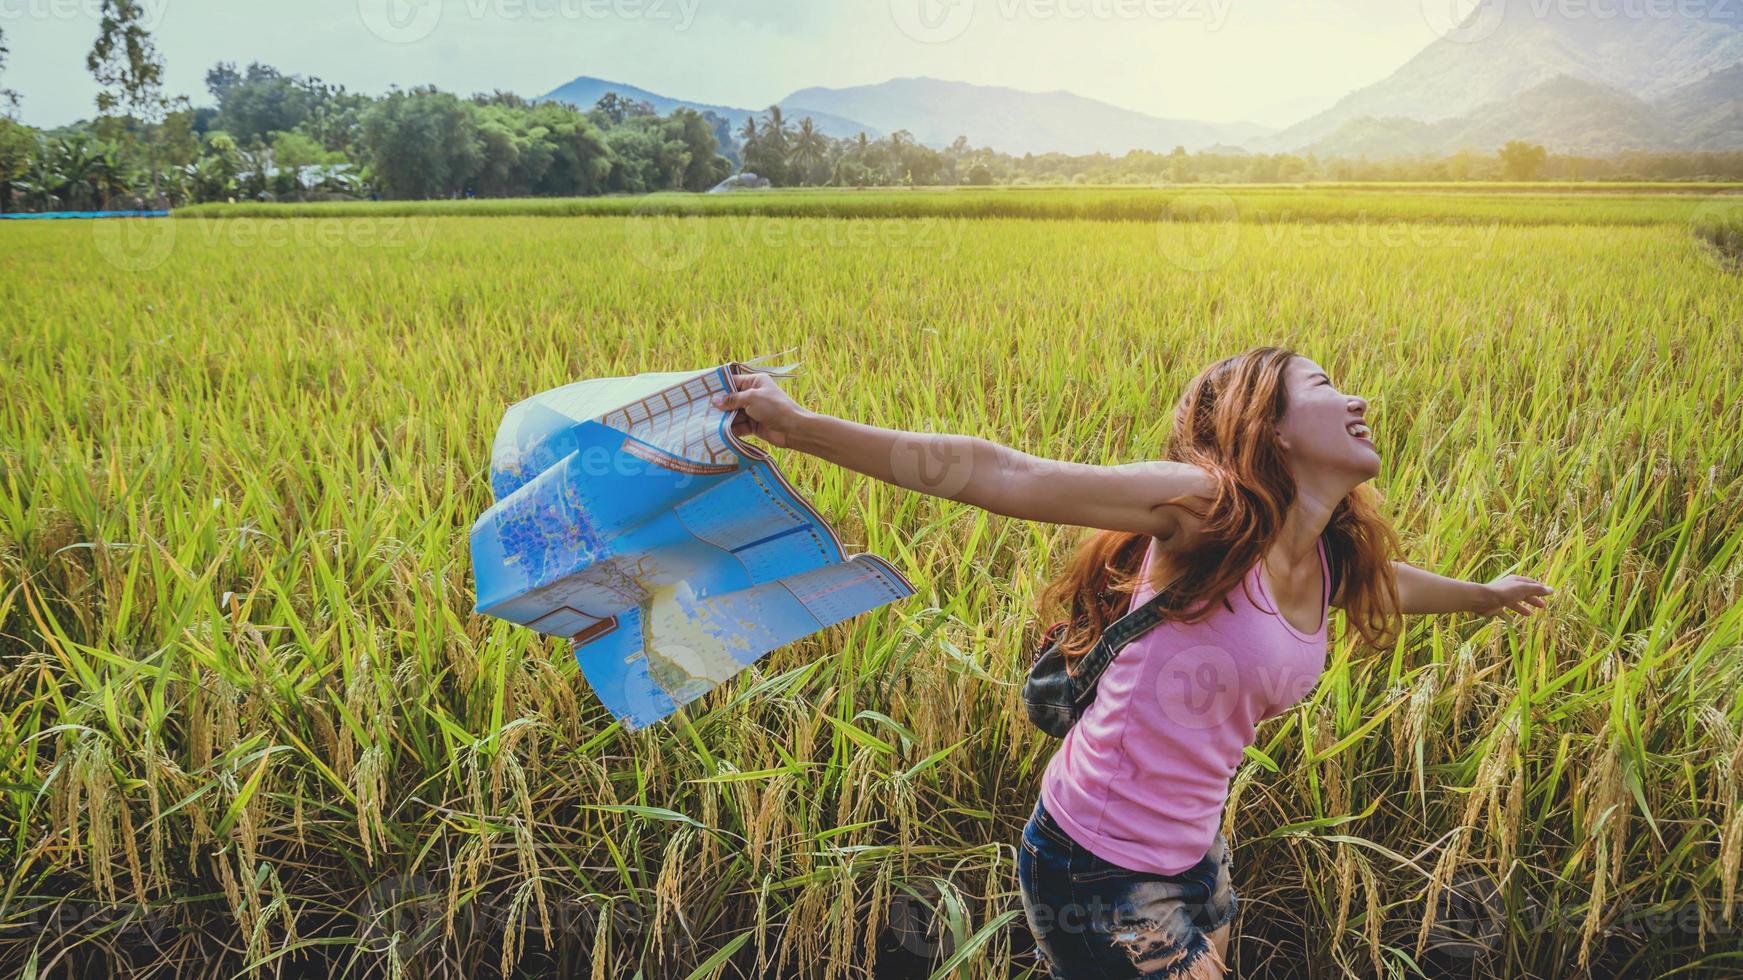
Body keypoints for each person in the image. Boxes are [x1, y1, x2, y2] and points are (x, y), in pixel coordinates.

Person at [710, 346, 1554, 978]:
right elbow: (1002, 473)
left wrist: (1482, 595)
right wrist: (797, 427)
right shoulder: (1206, 509)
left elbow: (1387, 583)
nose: (1358, 397)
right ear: (1270, 429)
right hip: (1099, 864)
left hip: (1196, 853)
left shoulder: (1326, 559)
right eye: (1326, 387)